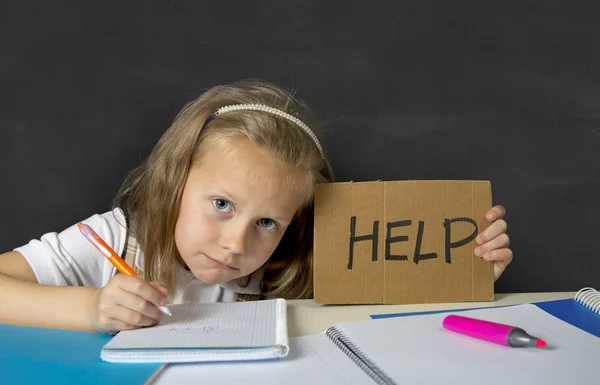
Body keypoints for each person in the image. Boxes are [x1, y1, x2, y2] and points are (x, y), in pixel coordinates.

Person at [0, 79, 513, 334]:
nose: (237, 243)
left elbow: (389, 311)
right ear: (176, 181)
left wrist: (465, 268)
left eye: (267, 222)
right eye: (221, 204)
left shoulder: (295, 257)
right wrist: (90, 308)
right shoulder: (115, 237)